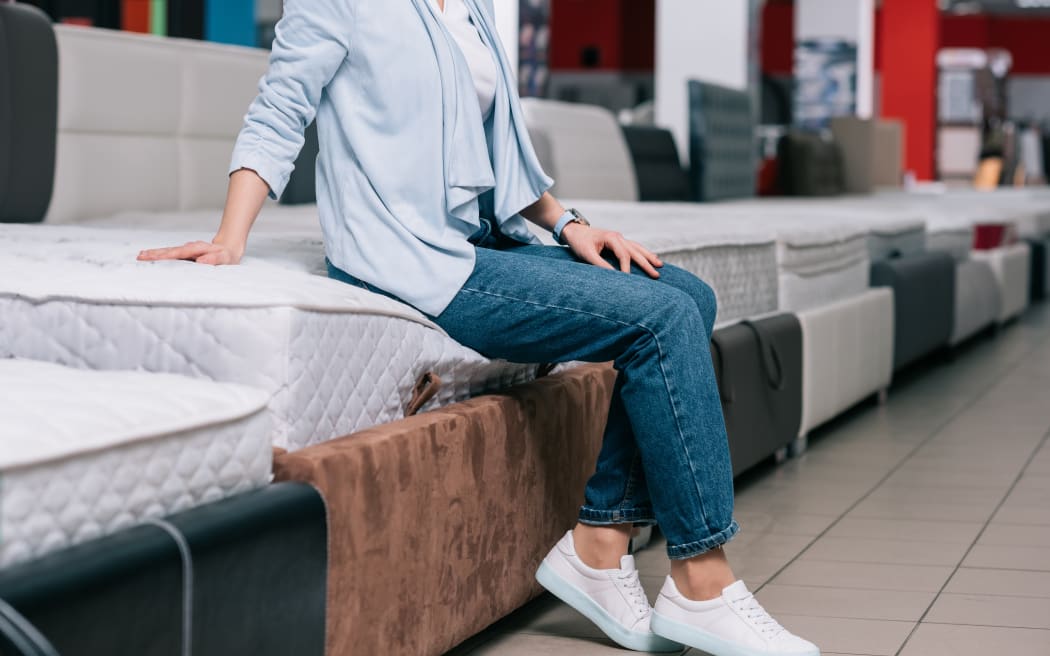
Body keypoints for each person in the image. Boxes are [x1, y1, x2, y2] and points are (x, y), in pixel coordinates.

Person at [138, 1, 819, 654]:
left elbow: (501, 149)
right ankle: (701, 577)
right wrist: (231, 238)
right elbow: (280, 108)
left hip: (488, 240)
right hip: (414, 256)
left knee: (686, 296)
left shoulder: (467, 7)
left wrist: (571, 225)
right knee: (661, 318)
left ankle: (600, 544)